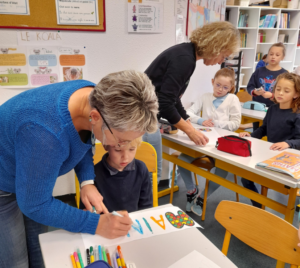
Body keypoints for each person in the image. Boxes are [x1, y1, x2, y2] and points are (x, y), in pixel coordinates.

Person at [0, 70, 158, 268]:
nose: (124, 146)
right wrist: (97, 224)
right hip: (3, 184)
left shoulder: (92, 96)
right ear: (95, 117)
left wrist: (87, 181)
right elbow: (34, 205)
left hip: (27, 170)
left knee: (38, 247)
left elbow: (84, 136)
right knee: (16, 262)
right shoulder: (44, 134)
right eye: (121, 141)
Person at [144, 21, 240, 183]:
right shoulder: (185, 59)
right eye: (223, 56)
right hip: (142, 117)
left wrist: (185, 118)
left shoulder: (186, 54)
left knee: (151, 172)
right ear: (216, 46)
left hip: (146, 115)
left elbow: (173, 97)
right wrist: (190, 130)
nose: (219, 62)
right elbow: (165, 102)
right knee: (152, 173)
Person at [177, 67, 241, 216]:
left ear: (231, 88)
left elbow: (236, 123)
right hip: (204, 141)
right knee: (182, 159)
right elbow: (188, 113)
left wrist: (218, 123)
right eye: (218, 85)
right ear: (212, 82)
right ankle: (192, 190)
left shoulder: (233, 99)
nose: (220, 89)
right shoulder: (205, 96)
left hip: (223, 145)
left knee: (222, 170)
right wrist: (201, 120)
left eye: (225, 87)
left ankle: (203, 196)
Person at [239, 72, 300, 207]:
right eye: (278, 89)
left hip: (287, 159)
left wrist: (287, 143)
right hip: (269, 154)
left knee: (280, 188)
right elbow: (263, 129)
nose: (280, 93)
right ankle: (259, 205)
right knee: (245, 178)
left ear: (296, 94)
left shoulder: (297, 114)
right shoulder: (272, 109)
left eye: (286, 90)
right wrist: (251, 135)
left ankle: (284, 208)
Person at [80, 137, 152, 213]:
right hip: (105, 223)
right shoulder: (92, 175)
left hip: (134, 222)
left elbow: (146, 206)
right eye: (118, 150)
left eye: (131, 149)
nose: (125, 157)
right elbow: (87, 211)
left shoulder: (141, 169)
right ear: (105, 145)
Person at [240, 43, 288, 130]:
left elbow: (286, 95)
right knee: (257, 128)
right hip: (256, 107)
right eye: (271, 54)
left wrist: (272, 96)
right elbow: (250, 86)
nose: (273, 57)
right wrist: (255, 92)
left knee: (268, 126)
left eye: (277, 55)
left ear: (282, 57)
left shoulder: (284, 75)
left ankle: (251, 126)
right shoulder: (259, 71)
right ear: (267, 55)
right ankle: (251, 126)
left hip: (274, 108)